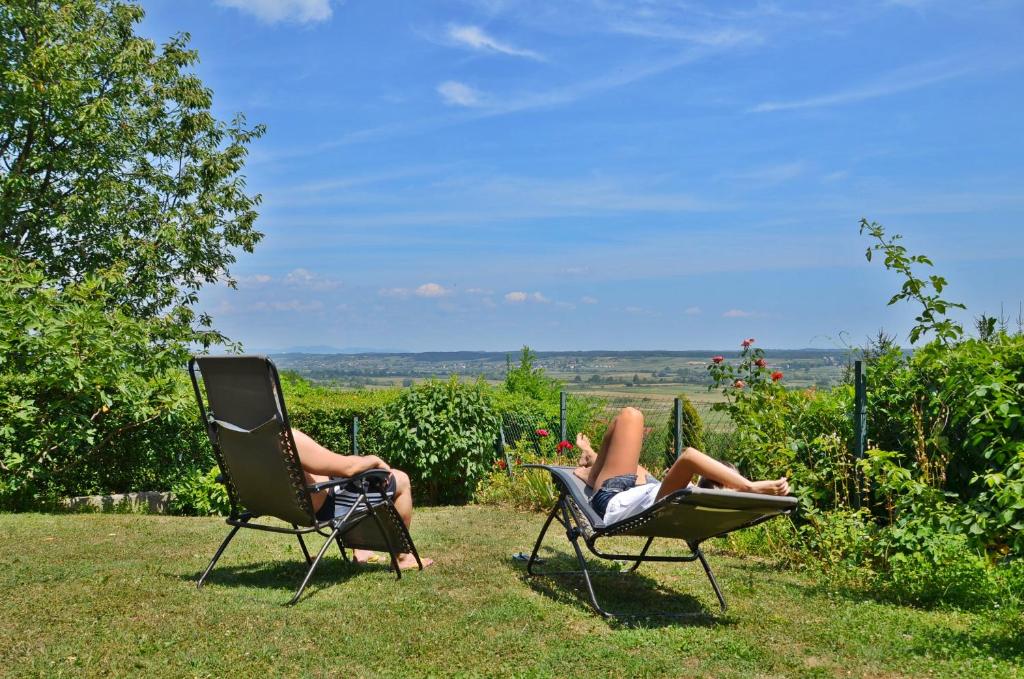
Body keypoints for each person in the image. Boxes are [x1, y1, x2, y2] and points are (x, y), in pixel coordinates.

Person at [574, 407, 789, 525]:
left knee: (631, 416)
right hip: (645, 490)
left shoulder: (679, 495)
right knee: (634, 467)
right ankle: (592, 457)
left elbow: (689, 456)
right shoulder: (691, 505)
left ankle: (593, 471)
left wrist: (750, 487)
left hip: (612, 496)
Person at [291, 429, 433, 570]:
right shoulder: (288, 436)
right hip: (327, 504)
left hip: (294, 507)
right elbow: (349, 468)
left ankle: (362, 551)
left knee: (354, 479)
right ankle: (402, 557)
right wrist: (373, 459)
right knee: (401, 479)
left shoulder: (268, 447)